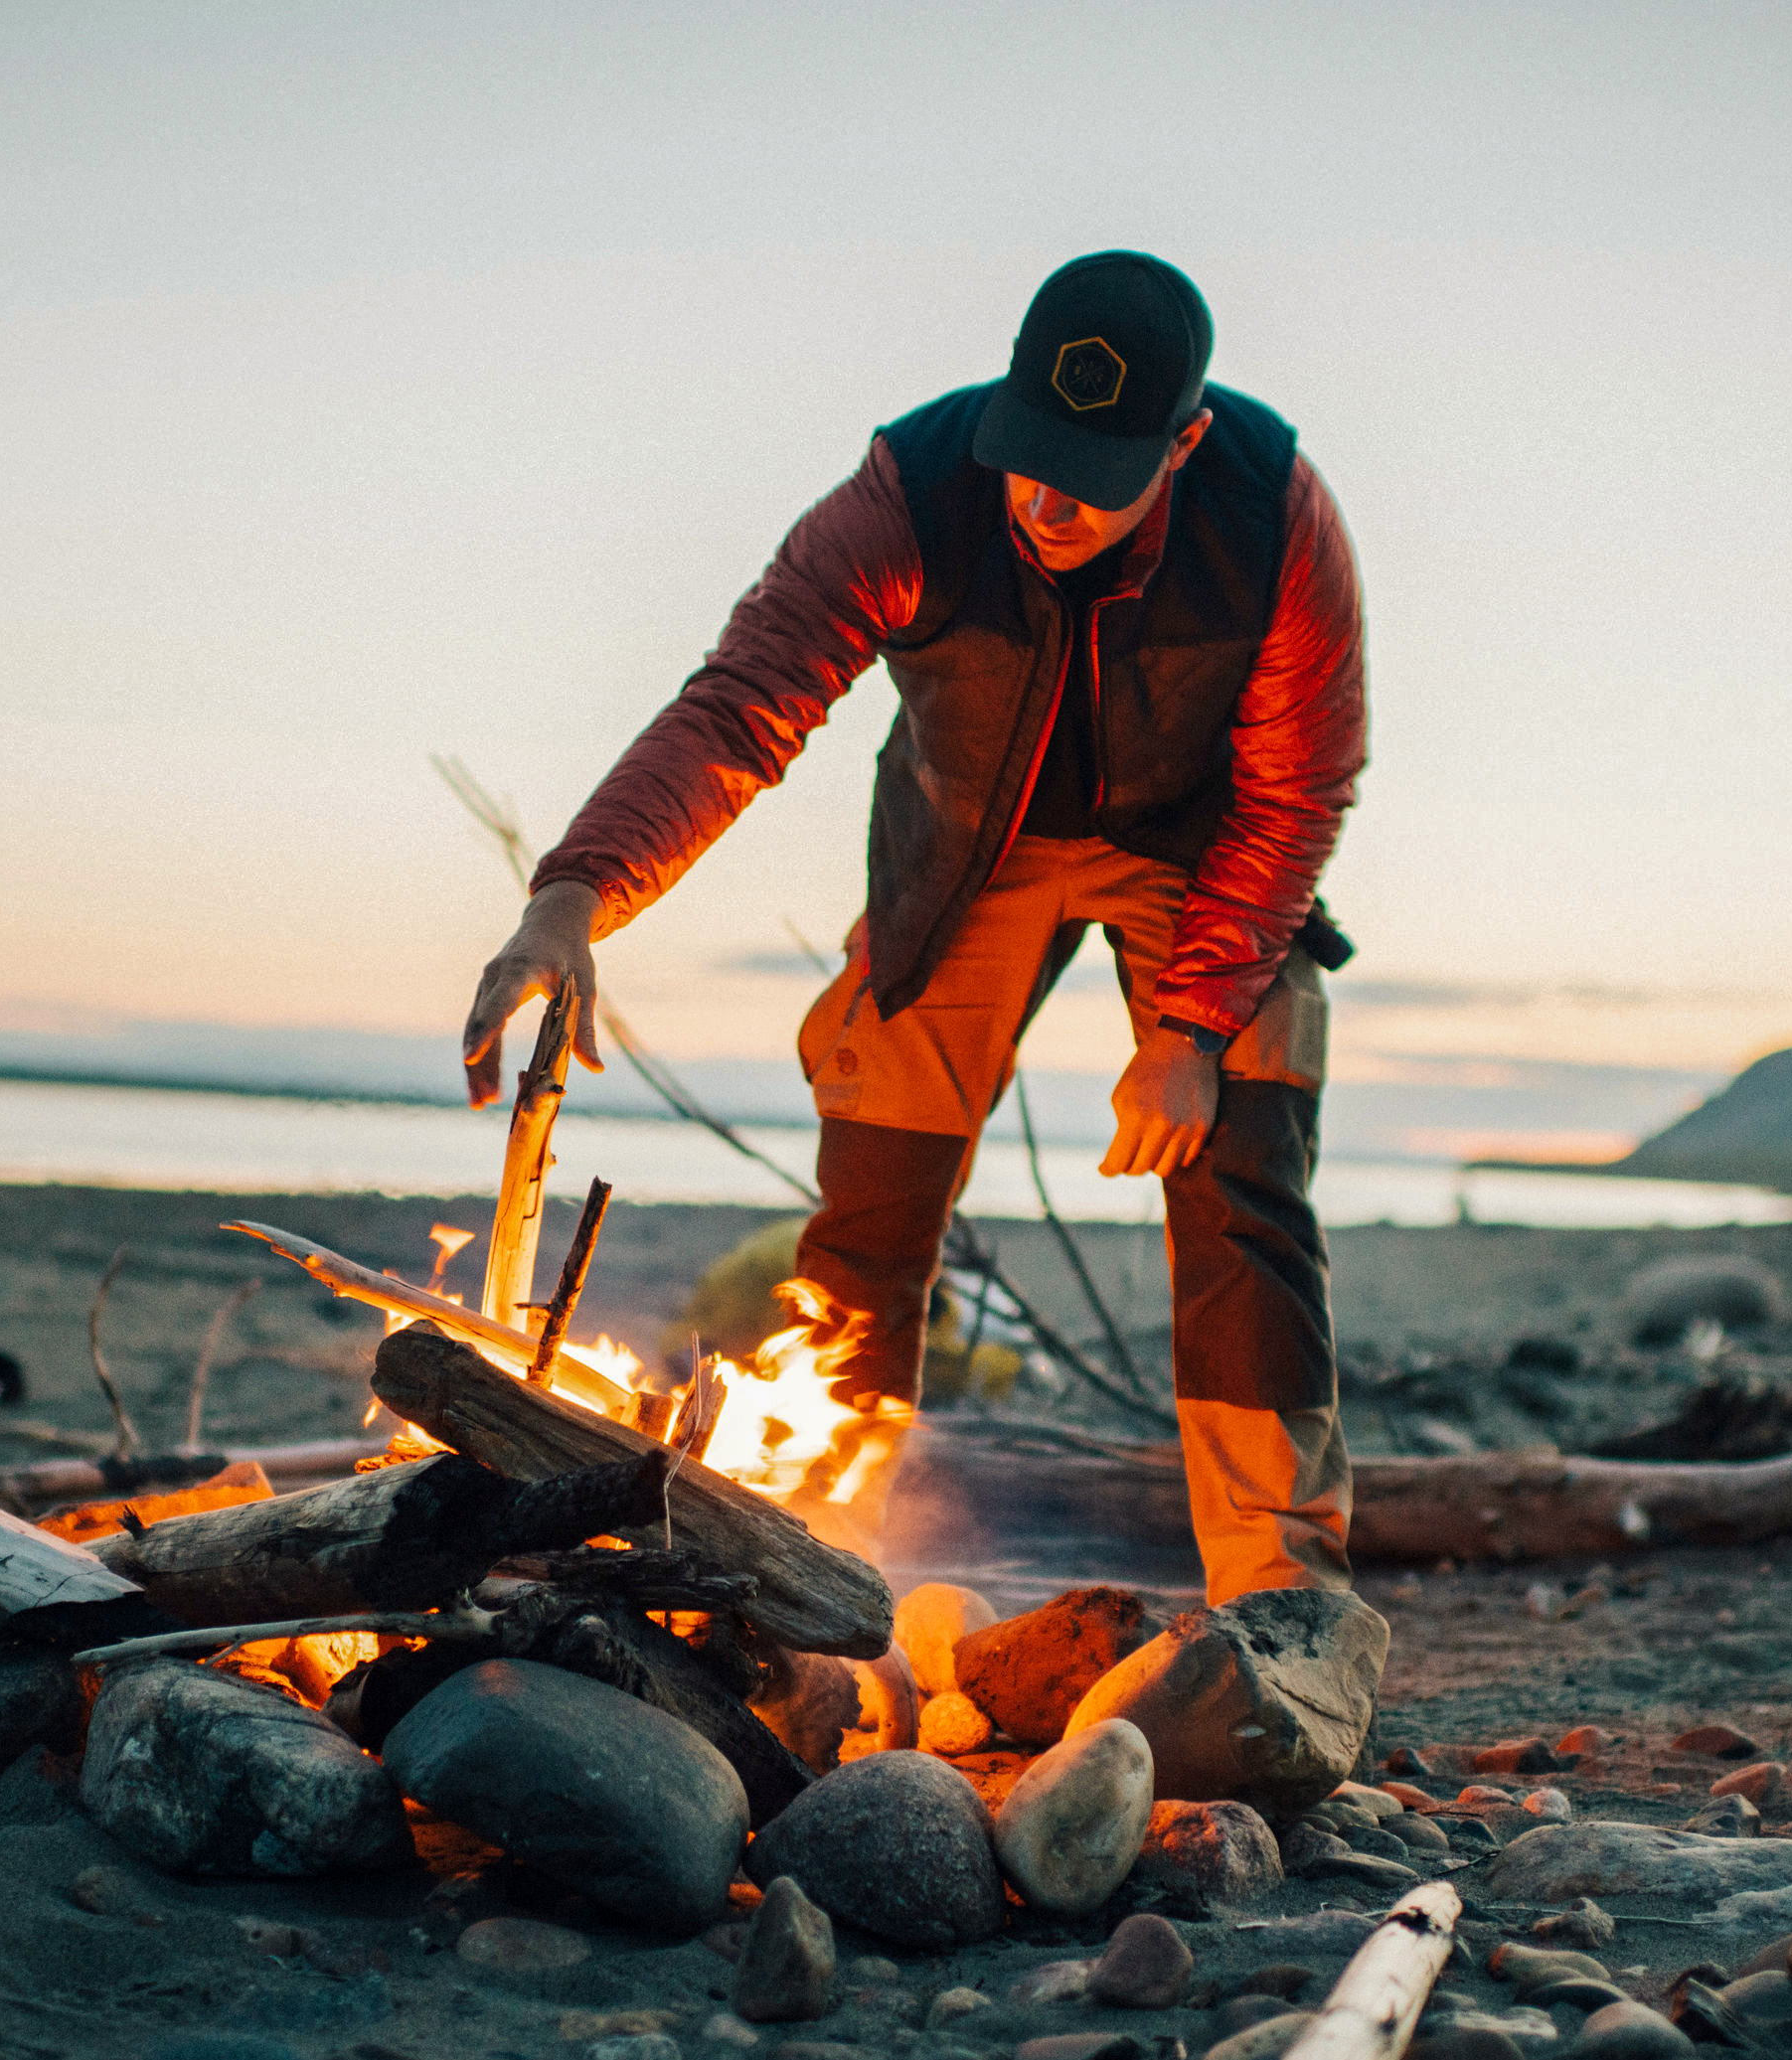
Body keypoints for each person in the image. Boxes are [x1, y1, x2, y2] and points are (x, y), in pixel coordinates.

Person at [461, 251, 1365, 1601]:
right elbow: (742, 703)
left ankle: (1284, 1603)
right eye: (1028, 456)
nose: (1043, 503)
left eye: (1091, 477)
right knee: (873, 1200)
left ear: (1181, 444)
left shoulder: (1275, 517)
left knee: (1240, 1158)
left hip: (1205, 852)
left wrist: (1188, 1029)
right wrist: (573, 892)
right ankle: (819, 1557)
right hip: (963, 856)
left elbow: (1299, 791)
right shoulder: (911, 492)